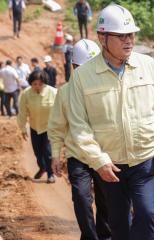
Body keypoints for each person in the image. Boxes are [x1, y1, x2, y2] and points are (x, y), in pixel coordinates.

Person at [67, 4, 154, 240]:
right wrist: (98, 160)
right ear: (102, 37)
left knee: (146, 212)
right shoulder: (83, 77)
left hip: (147, 161)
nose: (129, 40)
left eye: (131, 34)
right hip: (109, 167)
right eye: (121, 35)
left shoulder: (150, 67)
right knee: (119, 224)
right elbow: (79, 126)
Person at [48, 39, 111, 240]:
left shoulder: (108, 89)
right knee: (82, 198)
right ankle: (90, 236)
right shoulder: (65, 92)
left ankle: (105, 235)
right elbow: (57, 126)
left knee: (106, 201)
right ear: (74, 67)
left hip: (105, 155)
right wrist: (56, 155)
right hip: (78, 156)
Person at [17, 70, 57, 183]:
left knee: (48, 151)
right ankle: (42, 167)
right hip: (34, 127)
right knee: (37, 152)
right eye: (34, 84)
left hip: (49, 127)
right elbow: (22, 112)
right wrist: (23, 128)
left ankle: (50, 174)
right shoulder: (26, 94)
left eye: (40, 84)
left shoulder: (53, 92)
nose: (37, 86)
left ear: (44, 82)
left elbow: (61, 111)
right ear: (31, 83)